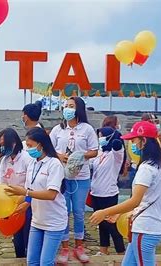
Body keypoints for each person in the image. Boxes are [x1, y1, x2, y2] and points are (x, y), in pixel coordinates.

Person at [89, 121, 161, 266]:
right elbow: (144, 198)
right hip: (148, 225)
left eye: (133, 140)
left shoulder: (147, 168)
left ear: (143, 141)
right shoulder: (157, 165)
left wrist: (104, 212)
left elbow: (135, 201)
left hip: (146, 228)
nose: (132, 144)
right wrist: (118, 213)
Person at [5, 127, 67, 266]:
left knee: (46, 262)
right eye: (27, 145)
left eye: (30, 145)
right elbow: (31, 189)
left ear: (41, 144)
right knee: (32, 261)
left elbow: (51, 194)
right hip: (37, 220)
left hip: (54, 221)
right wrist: (23, 203)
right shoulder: (33, 163)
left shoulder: (54, 164)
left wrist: (25, 193)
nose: (27, 149)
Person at [49, 97, 98, 264]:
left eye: (71, 106)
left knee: (78, 212)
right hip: (61, 177)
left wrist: (79, 156)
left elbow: (94, 151)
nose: (67, 109)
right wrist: (60, 156)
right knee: (63, 212)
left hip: (81, 177)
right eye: (66, 106)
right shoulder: (58, 129)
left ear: (78, 109)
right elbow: (50, 150)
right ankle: (64, 248)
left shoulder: (87, 129)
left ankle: (79, 246)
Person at [0, 128, 33, 258]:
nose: (2, 147)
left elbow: (32, 185)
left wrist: (26, 201)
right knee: (17, 238)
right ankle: (19, 258)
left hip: (28, 203)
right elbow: (2, 185)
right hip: (12, 205)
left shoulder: (27, 158)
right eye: (0, 144)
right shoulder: (5, 161)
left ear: (14, 143)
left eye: (4, 144)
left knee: (29, 236)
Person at [90, 127, 125, 256]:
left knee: (112, 225)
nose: (99, 138)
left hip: (108, 194)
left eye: (101, 136)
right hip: (96, 193)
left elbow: (118, 147)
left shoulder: (115, 154)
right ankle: (103, 250)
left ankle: (121, 252)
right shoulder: (101, 152)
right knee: (101, 224)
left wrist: (116, 139)